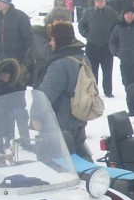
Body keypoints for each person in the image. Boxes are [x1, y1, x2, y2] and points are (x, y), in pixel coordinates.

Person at [38, 21, 94, 159]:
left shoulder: (59, 64)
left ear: (59, 39)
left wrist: (36, 115)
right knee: (79, 158)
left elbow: (46, 95)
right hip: (79, 117)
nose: (50, 43)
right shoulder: (83, 58)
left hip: (60, 122)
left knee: (57, 164)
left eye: (52, 39)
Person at [79, 0, 120, 97]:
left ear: (105, 2)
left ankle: (108, 91)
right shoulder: (88, 12)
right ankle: (93, 91)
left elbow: (117, 26)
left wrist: (113, 37)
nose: (100, 3)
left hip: (107, 46)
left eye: (102, 1)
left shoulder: (112, 13)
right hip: (92, 45)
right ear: (95, 2)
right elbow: (81, 25)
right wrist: (86, 34)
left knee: (107, 70)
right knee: (92, 70)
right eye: (98, 1)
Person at [27, 6, 74, 88]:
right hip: (43, 77)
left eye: (64, 20)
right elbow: (48, 53)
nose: (61, 23)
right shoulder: (40, 34)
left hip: (63, 76)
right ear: (51, 21)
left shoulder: (68, 35)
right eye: (58, 20)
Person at [0, 0, 33, 67]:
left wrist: (23, 59)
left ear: (6, 1)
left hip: (16, 63)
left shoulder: (21, 17)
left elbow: (28, 41)